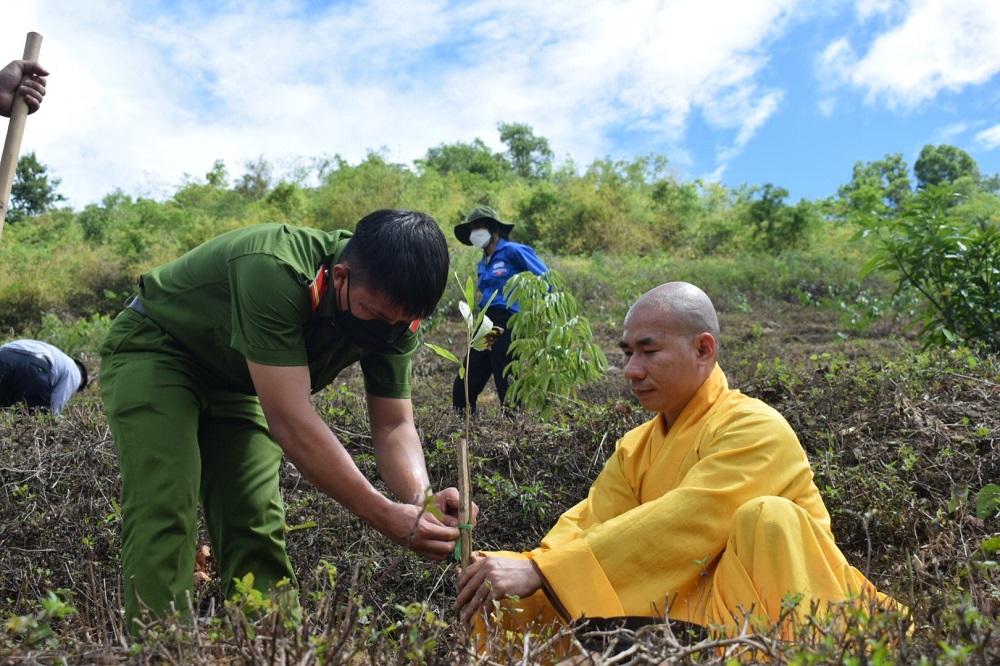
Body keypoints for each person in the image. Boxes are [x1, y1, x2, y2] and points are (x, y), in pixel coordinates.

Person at [455, 282, 901, 652]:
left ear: (704, 349)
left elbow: (689, 519)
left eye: (648, 352)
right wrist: (529, 565)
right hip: (688, 609)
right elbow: (589, 522)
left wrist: (548, 571)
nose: (631, 370)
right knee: (514, 594)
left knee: (768, 517)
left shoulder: (755, 427)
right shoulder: (637, 446)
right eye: (628, 352)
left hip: (779, 606)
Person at [99, 210, 474, 632]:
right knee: (166, 505)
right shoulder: (275, 269)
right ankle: (161, 651)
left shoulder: (395, 315)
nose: (388, 332)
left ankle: (274, 646)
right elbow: (291, 420)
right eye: (376, 315)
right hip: (160, 349)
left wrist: (421, 501)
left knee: (254, 519)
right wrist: (383, 513)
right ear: (341, 278)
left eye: (400, 324)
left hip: (240, 379)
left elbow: (393, 425)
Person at [451, 205, 548, 414]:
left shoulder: (514, 251)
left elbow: (545, 279)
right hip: (486, 322)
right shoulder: (483, 263)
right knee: (469, 373)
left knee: (504, 371)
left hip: (508, 320)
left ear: (493, 228)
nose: (474, 232)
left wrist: (542, 313)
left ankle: (514, 424)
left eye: (479, 226)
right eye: (472, 228)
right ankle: (462, 421)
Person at [0, 339, 88, 415]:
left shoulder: (56, 354)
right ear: (82, 380)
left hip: (4, 357)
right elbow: (56, 404)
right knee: (34, 421)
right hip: (32, 366)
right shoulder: (75, 371)